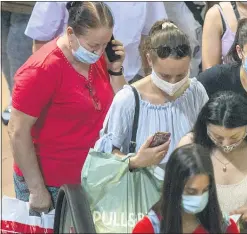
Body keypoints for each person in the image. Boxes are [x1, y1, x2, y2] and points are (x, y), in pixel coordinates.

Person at [8, 1, 126, 216]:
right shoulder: (41, 69)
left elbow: (122, 106)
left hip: (92, 178)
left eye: (105, 44)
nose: (100, 52)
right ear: (70, 33)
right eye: (94, 46)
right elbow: (17, 131)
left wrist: (116, 70)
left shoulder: (98, 59)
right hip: (52, 186)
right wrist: (36, 189)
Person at [94, 20, 208, 169]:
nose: (173, 83)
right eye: (165, 76)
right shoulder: (128, 100)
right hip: (141, 189)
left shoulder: (195, 92)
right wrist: (135, 161)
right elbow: (105, 156)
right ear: (149, 60)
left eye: (180, 75)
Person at [178, 91, 247, 227]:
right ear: (205, 128)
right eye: (217, 137)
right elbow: (172, 195)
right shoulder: (190, 146)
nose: (226, 144)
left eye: (234, 137)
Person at [24, 1, 168, 83]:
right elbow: (41, 38)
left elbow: (153, 34)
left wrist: (152, 82)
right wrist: (47, 82)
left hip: (124, 78)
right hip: (69, 81)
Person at [132, 144, 239, 233]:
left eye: (205, 190)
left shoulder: (225, 228)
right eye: (191, 191)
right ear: (174, 188)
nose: (199, 198)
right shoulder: (148, 228)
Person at [1, 2, 34, 125]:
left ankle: (20, 104)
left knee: (17, 53)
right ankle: (14, 98)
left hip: (26, 6)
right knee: (3, 51)